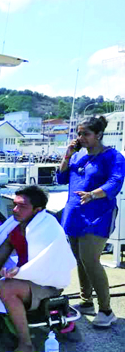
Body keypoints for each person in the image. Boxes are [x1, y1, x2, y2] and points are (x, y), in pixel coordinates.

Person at [0, 186, 76, 352]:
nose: (14, 210)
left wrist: (20, 272)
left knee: (6, 286)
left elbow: (49, 264)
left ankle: (26, 345)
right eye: (14, 205)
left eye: (22, 206)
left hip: (46, 286)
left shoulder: (49, 228)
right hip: (21, 280)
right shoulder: (15, 230)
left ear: (37, 210)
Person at [57, 115, 125, 327]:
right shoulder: (78, 157)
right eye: (79, 134)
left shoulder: (112, 157)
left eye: (86, 134)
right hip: (74, 215)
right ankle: (86, 301)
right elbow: (61, 178)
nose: (81, 138)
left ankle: (106, 310)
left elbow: (115, 182)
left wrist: (92, 194)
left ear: (99, 135)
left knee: (90, 259)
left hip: (97, 216)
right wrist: (67, 155)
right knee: (80, 260)